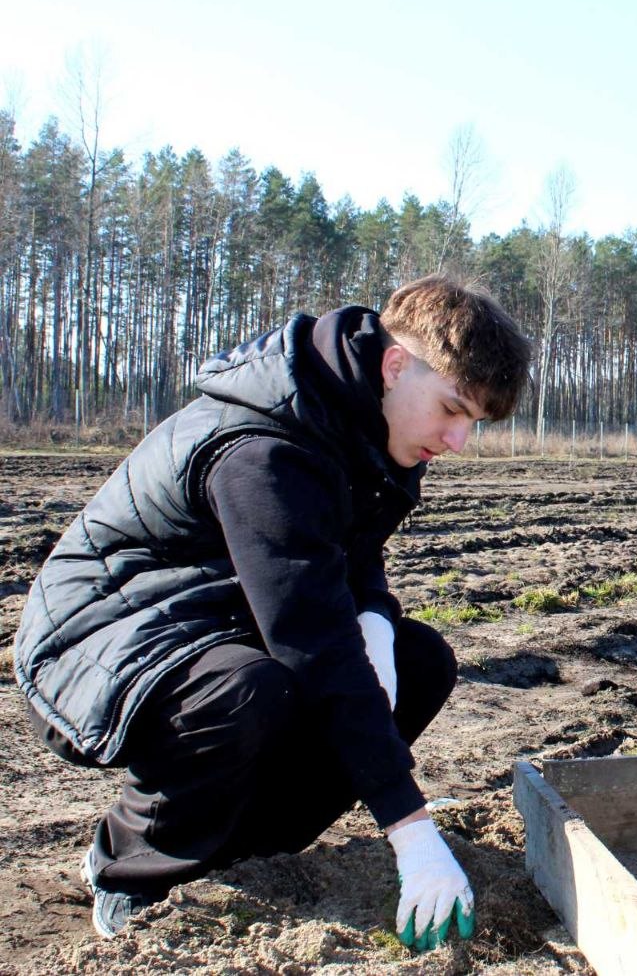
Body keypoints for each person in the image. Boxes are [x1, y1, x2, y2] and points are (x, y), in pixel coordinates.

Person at [13, 274, 532, 949]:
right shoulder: (265, 449)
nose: (458, 440)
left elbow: (352, 551)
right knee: (252, 693)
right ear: (396, 364)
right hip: (95, 638)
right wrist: (411, 831)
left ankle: (237, 856)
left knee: (419, 663)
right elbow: (310, 641)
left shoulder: (367, 421)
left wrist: (374, 618)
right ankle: (128, 868)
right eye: (452, 409)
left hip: (205, 615)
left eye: (474, 423)